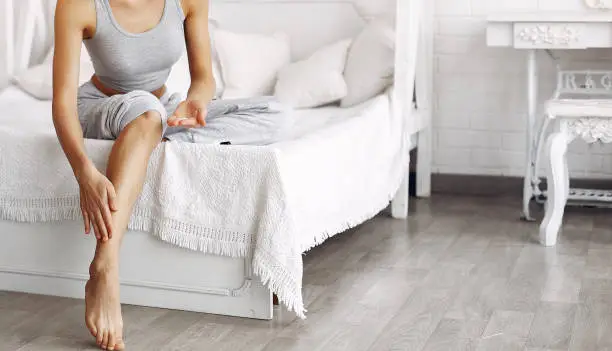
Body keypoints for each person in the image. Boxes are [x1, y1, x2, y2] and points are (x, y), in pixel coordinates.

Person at [52, 0, 215, 350]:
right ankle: (105, 267)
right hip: (101, 105)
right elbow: (62, 105)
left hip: (160, 104)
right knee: (148, 113)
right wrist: (84, 171)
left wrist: (195, 102)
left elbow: (203, 79)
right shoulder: (77, 5)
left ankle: (154, 128)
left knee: (267, 114)